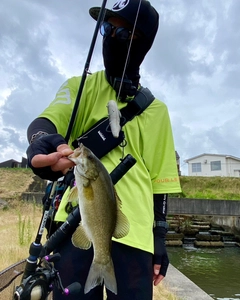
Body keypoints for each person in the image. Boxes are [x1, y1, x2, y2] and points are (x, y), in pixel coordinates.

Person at [26, 0, 182, 299]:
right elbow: (45, 121)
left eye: (122, 34)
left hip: (133, 231)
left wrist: (159, 237)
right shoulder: (80, 86)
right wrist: (40, 140)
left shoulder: (158, 111)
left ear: (144, 42)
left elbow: (160, 180)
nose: (112, 38)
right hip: (75, 224)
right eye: (106, 30)